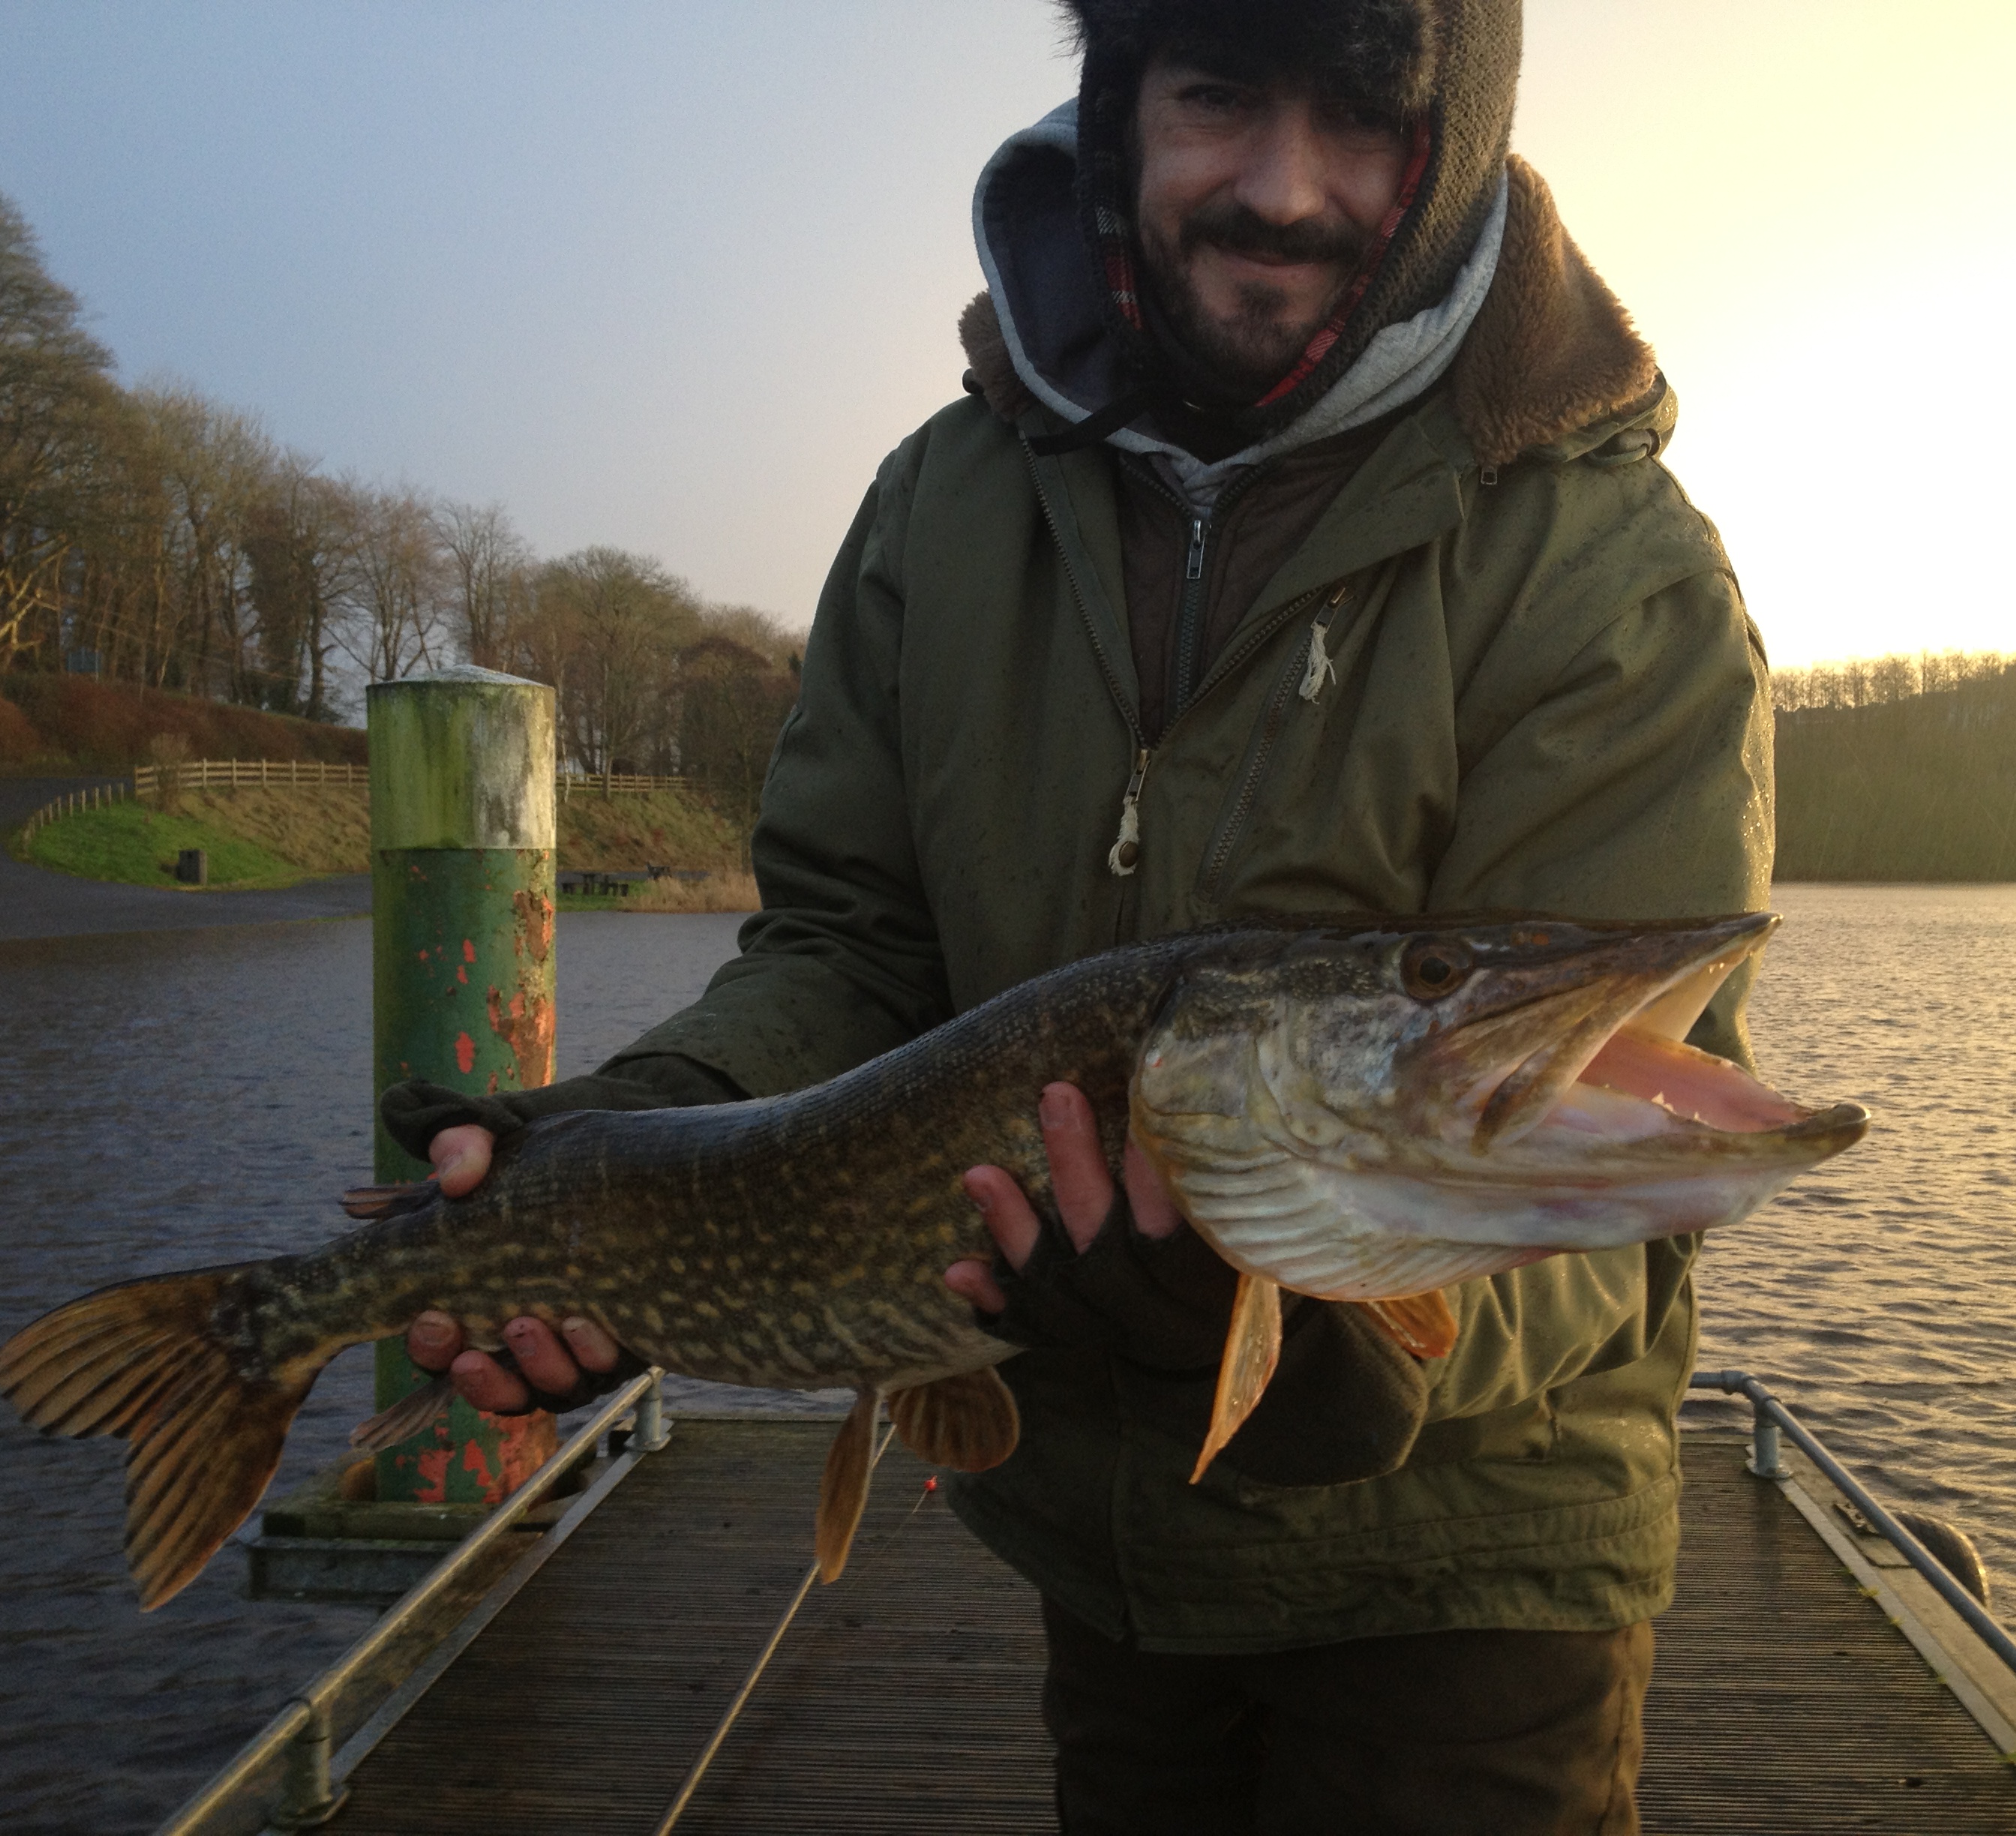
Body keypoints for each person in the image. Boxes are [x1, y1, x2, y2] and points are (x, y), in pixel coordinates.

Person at [382, 3, 1772, 1830]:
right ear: (1120, 111)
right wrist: (635, 1156)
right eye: (1216, 95)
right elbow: (852, 952)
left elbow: (1601, 1179)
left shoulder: (1607, 568)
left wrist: (1336, 1346)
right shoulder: (945, 509)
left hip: (1472, 1578)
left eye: (1358, 116)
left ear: (1450, 151)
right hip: (1101, 1547)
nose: (1280, 186)